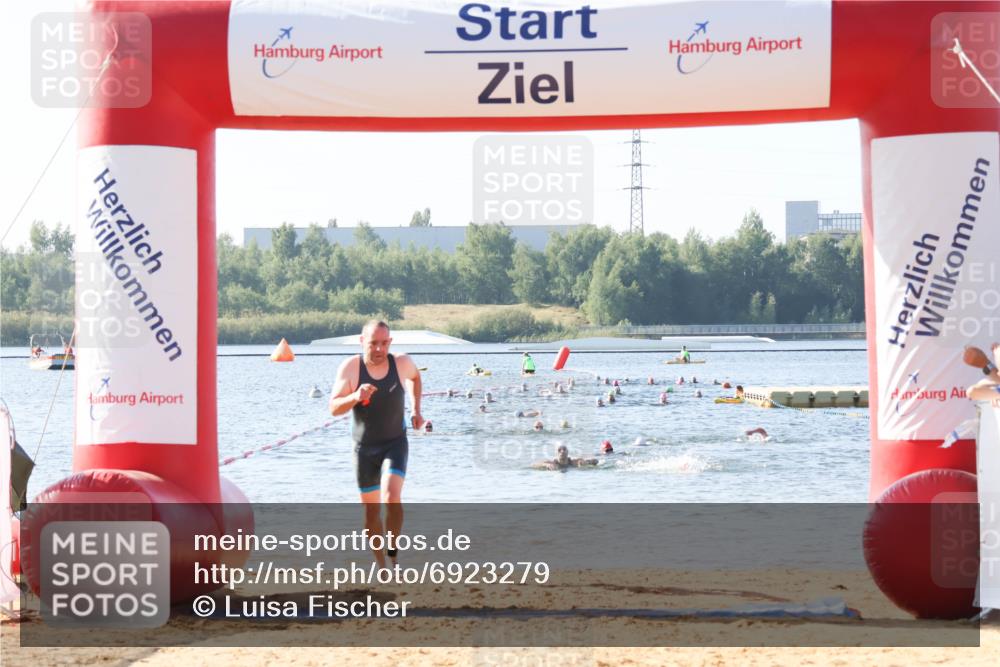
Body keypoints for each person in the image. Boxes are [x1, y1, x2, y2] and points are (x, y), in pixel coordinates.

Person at [329, 320, 423, 569]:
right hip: (364, 449)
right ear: (362, 342)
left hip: (395, 442)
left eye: (384, 343)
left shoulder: (401, 363)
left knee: (392, 496)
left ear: (390, 343)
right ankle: (380, 564)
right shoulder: (351, 368)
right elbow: (333, 408)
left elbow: (415, 378)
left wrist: (416, 410)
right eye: (373, 344)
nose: (379, 349)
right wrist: (355, 396)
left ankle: (393, 554)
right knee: (371, 512)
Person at [532, 444, 598, 470]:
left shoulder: (574, 462)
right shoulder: (552, 463)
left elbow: (596, 461)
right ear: (556, 453)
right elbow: (533, 465)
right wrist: (546, 465)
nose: (562, 451)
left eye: (564, 449)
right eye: (559, 450)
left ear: (568, 452)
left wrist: (587, 462)